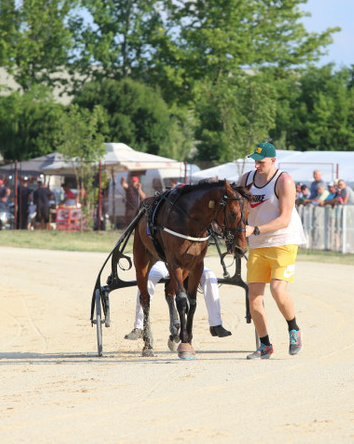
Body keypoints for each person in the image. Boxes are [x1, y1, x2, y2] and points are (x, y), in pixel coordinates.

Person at [239, 142, 306, 359]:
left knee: (278, 290)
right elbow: (239, 208)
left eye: (261, 162)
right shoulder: (247, 179)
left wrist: (254, 229)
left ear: (273, 160)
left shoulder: (284, 181)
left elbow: (284, 220)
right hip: (258, 244)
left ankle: (294, 329)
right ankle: (265, 345)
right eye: (255, 161)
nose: (257, 165)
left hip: (283, 241)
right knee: (254, 297)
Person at [124, 261, 232, 340]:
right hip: (164, 262)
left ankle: (216, 324)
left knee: (209, 276)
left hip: (191, 263)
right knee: (148, 278)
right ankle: (139, 326)